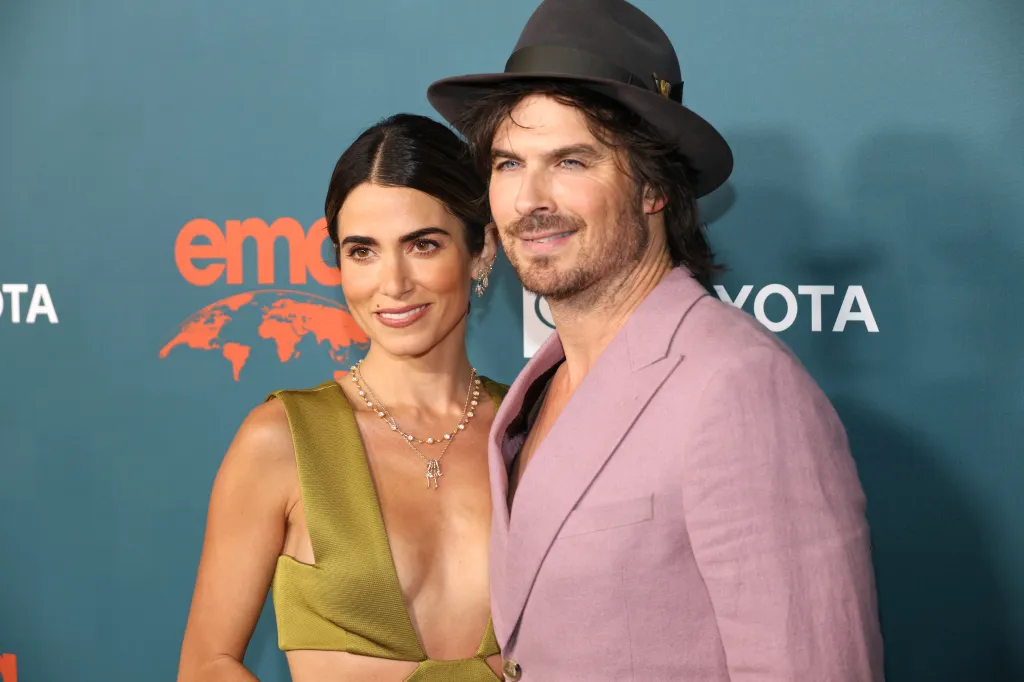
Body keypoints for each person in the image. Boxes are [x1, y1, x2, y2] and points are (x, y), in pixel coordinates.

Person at [427, 0, 886, 680]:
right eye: (508, 164)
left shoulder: (739, 386)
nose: (530, 199)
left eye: (572, 162)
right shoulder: (537, 389)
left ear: (652, 187)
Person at [176, 113, 507, 682]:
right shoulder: (281, 439)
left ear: (481, 252)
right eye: (362, 251)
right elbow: (207, 665)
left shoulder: (534, 427)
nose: (393, 282)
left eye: (422, 244)